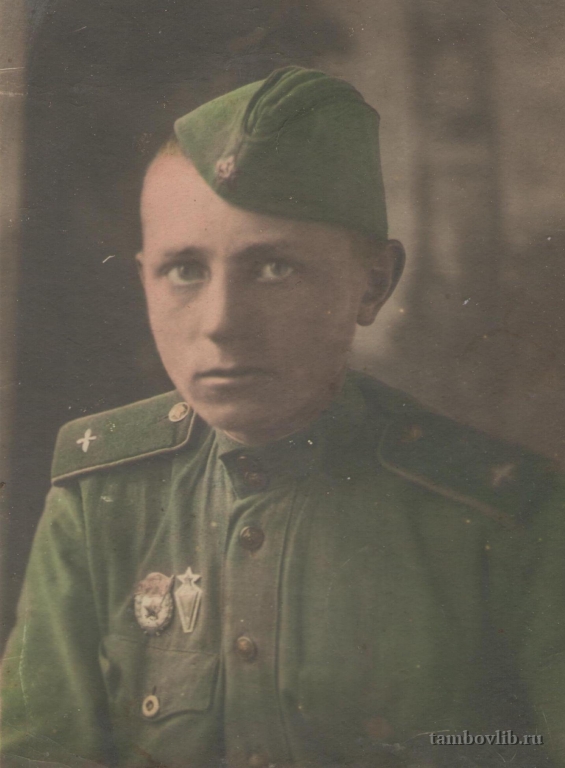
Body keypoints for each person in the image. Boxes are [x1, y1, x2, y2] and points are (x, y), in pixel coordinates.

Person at [1, 66, 560, 768]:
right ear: (143, 278)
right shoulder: (100, 496)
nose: (221, 323)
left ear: (372, 282)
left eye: (273, 269)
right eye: (185, 270)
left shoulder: (504, 518)